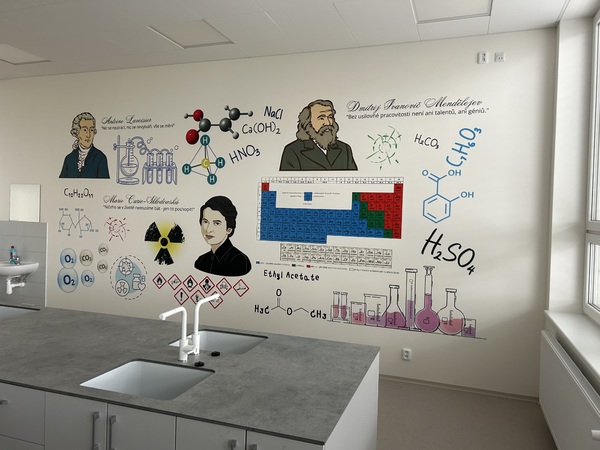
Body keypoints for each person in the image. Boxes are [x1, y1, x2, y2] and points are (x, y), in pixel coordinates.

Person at [279, 99, 358, 171]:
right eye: (321, 118)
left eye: (330, 117)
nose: (327, 123)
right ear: (308, 122)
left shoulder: (345, 149)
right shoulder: (293, 150)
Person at [194, 196, 251, 277]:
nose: (208, 229)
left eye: (216, 223)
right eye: (205, 222)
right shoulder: (201, 260)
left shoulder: (239, 260)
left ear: (229, 229)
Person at [59, 112, 110, 178]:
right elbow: (61, 182)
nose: (88, 135)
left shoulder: (100, 158)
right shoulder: (69, 159)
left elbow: (105, 183)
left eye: (91, 130)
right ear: (76, 133)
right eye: (85, 130)